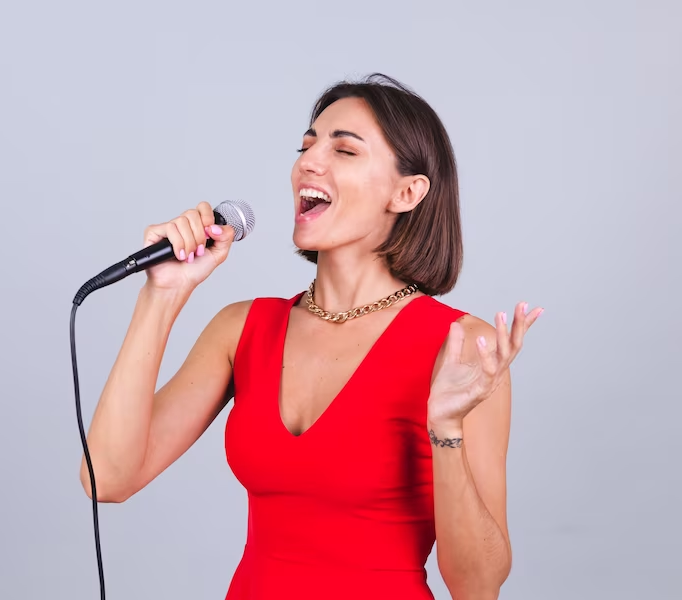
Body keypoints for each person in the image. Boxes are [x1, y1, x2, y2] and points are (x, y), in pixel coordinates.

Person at [80, 73, 543, 600]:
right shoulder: (243, 329)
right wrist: (161, 296)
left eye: (344, 150)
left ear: (407, 192)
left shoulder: (463, 346)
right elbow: (107, 479)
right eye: (306, 146)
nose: (309, 162)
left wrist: (447, 429)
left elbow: (477, 587)